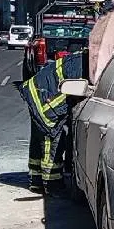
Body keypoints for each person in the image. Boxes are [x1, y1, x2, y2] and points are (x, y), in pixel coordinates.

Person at [19, 49, 86, 195]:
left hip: (36, 92)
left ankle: (36, 181)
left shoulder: (80, 59)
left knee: (38, 139)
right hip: (45, 100)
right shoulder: (85, 67)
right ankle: (52, 183)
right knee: (52, 140)